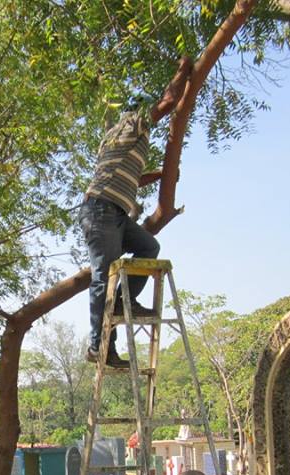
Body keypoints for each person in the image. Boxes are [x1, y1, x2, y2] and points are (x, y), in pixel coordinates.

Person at [80, 57, 193, 368]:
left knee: (148, 247)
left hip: (114, 211)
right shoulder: (130, 124)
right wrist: (183, 70)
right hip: (100, 210)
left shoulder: (128, 140)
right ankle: (97, 346)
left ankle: (122, 304)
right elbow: (169, 101)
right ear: (138, 111)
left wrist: (159, 176)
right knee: (103, 277)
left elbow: (129, 179)